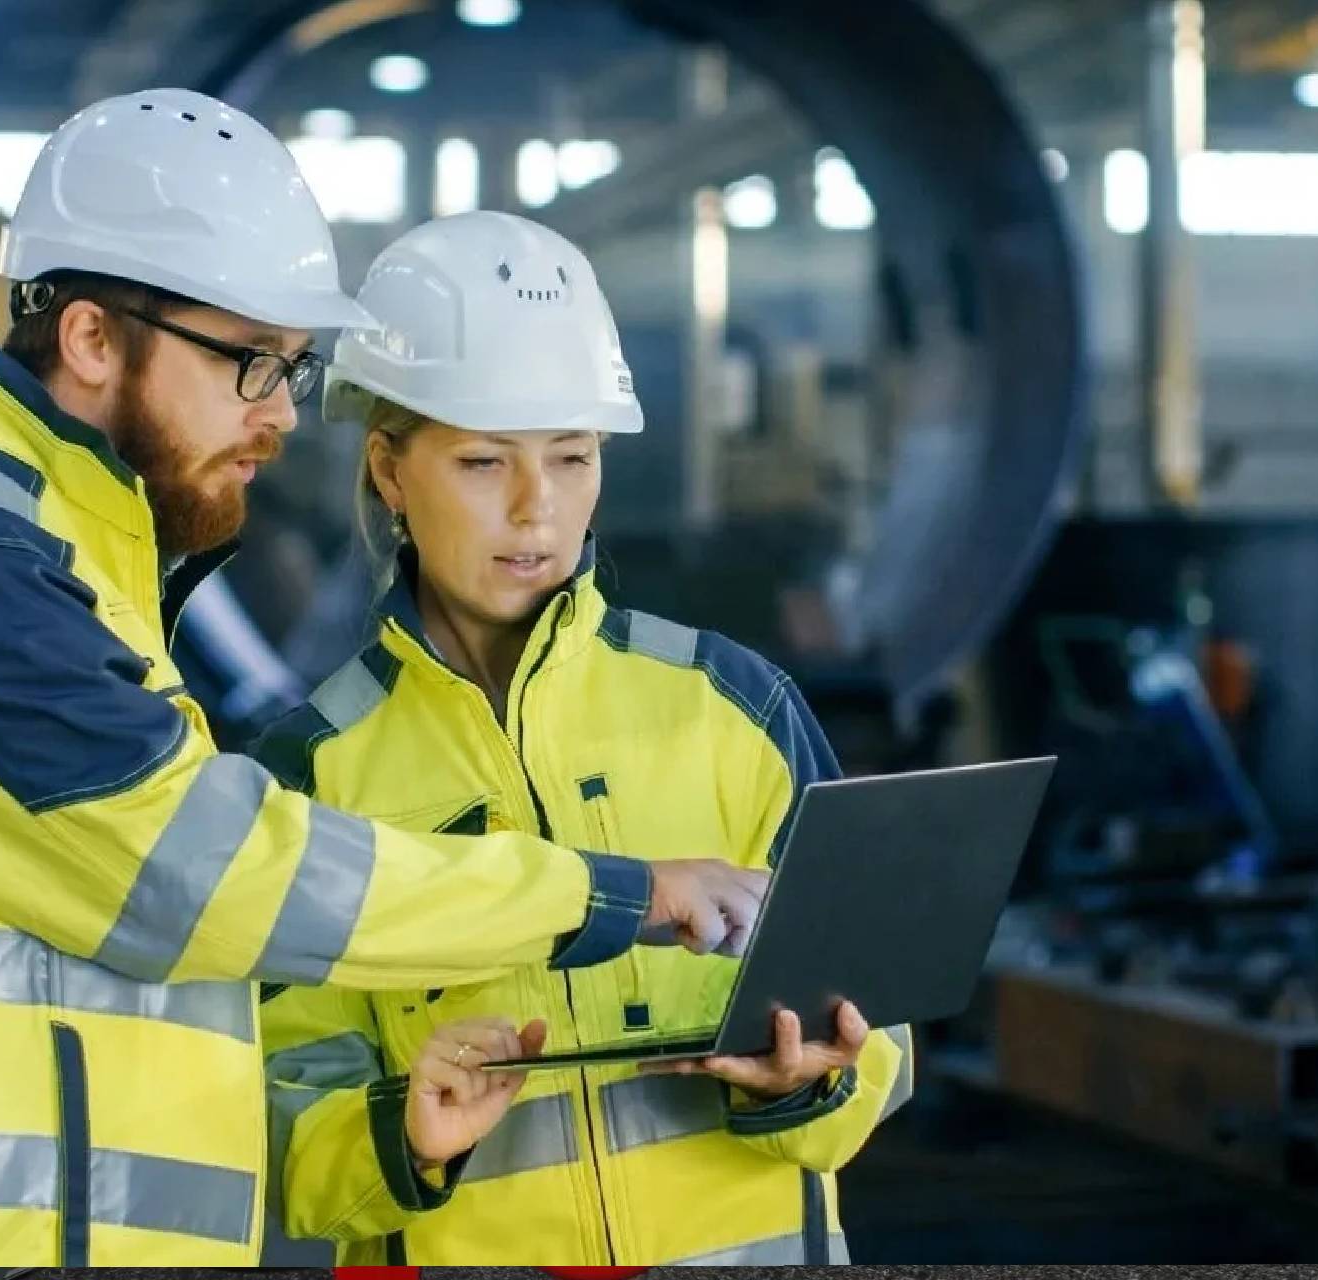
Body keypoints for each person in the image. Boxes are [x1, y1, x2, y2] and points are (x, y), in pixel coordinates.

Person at [0, 91, 766, 1268]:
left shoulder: (79, 570)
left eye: (291, 365)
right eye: (250, 362)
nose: (282, 412)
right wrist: (605, 893)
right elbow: (209, 875)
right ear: (89, 339)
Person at [255, 211, 914, 1266]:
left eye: (571, 455)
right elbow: (283, 1124)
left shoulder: (735, 707)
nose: (537, 509)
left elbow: (882, 1022)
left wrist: (820, 1075)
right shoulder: (313, 773)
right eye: (482, 462)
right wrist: (406, 1133)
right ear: (388, 469)